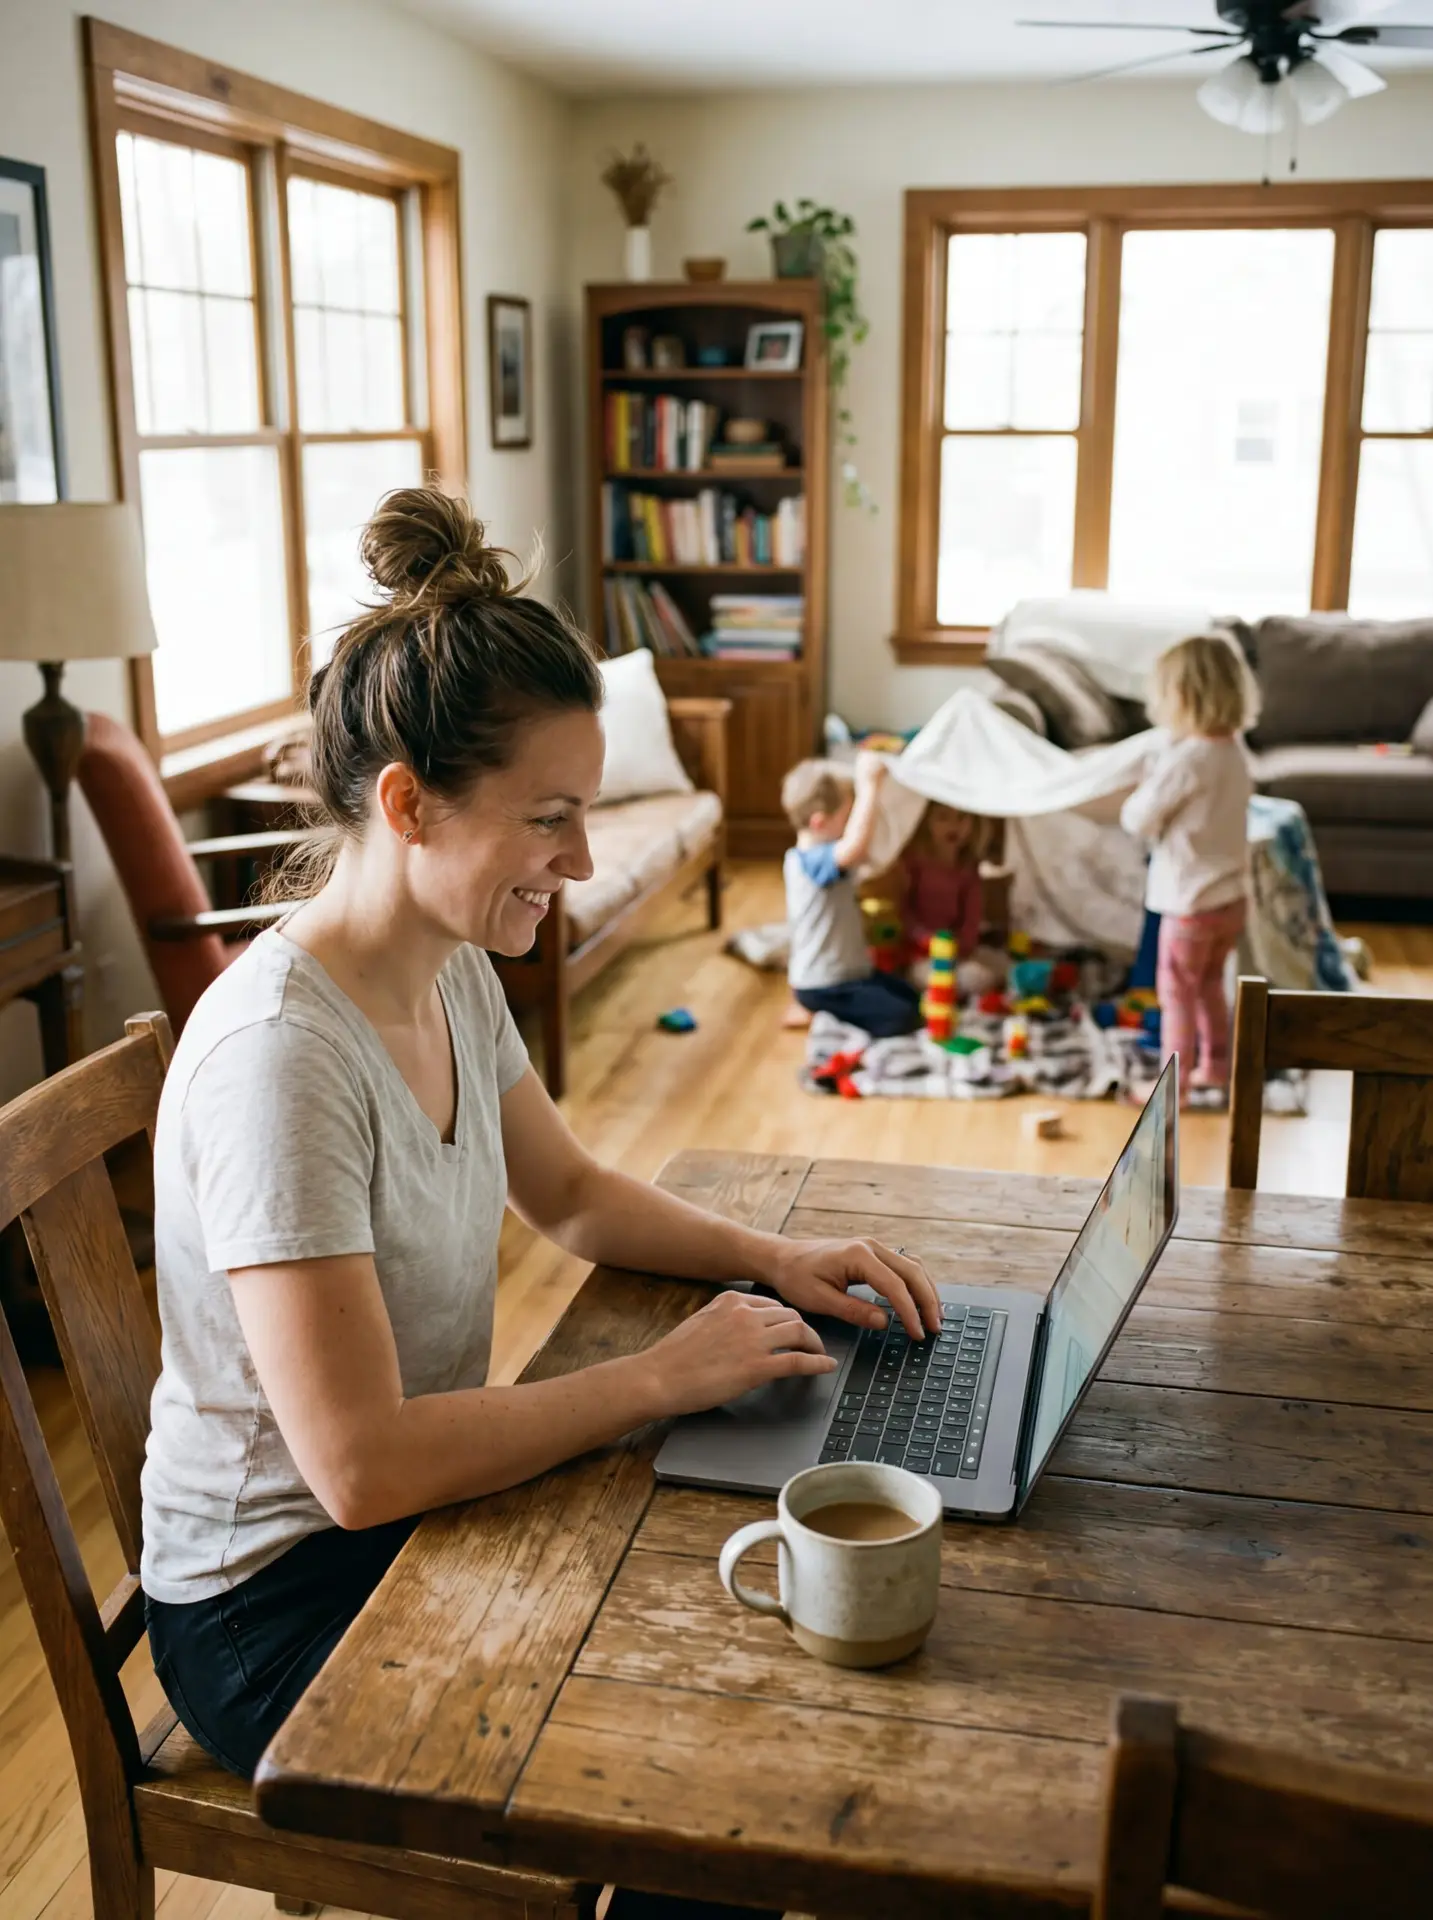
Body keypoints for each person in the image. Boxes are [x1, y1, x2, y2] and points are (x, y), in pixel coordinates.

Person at [142, 487, 940, 1816]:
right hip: (272, 1606)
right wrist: (656, 1376)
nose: (575, 858)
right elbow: (361, 1469)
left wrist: (777, 1257)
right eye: (545, 816)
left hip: (401, 1517)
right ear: (408, 804)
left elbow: (566, 1193)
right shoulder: (280, 1061)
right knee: (702, 1762)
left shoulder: (447, 964)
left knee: (745, 1640)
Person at [1119, 632, 1258, 1104]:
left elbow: (1139, 818)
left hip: (1189, 903)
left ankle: (1171, 1088)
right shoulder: (1234, 751)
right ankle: (1216, 1066)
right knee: (1210, 986)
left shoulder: (1188, 759)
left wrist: (1145, 782)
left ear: (1182, 697)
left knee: (1176, 993)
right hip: (1230, 898)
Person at [780, 755, 923, 1038]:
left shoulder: (814, 856)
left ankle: (817, 1010)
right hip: (827, 985)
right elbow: (855, 846)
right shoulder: (814, 861)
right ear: (820, 822)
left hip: (851, 973)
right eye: (848, 818)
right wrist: (869, 786)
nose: (851, 826)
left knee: (913, 998)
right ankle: (825, 1018)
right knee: (902, 1019)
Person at [896, 801, 987, 968]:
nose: (954, 826)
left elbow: (971, 918)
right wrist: (924, 939)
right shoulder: (915, 861)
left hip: (955, 951)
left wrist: (960, 946)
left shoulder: (968, 868)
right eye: (943, 817)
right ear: (927, 822)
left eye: (961, 817)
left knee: (981, 973)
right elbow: (904, 909)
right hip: (919, 949)